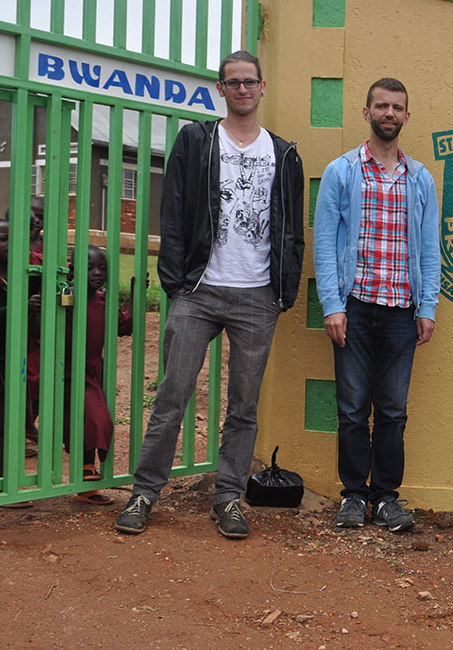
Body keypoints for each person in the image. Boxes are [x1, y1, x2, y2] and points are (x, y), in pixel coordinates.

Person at [115, 50, 305, 539]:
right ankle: (144, 492)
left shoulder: (283, 154)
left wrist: (282, 292)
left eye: (250, 82)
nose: (242, 89)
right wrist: (176, 284)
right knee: (173, 396)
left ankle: (228, 498)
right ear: (220, 89)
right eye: (233, 82)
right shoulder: (197, 140)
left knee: (243, 407)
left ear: (263, 88)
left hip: (257, 296)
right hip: (198, 290)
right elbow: (172, 212)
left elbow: (292, 231)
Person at [313, 77, 440, 532]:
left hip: (401, 312)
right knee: (351, 407)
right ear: (366, 113)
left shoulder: (420, 178)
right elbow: (325, 242)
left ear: (407, 116)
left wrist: (428, 306)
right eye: (381, 106)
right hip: (356, 306)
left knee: (392, 410)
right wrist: (332, 304)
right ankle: (352, 495)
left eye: (397, 107)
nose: (389, 113)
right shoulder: (342, 171)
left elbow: (429, 248)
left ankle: (386, 497)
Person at [64, 245, 134, 505]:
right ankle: (85, 470)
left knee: (90, 419)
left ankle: (86, 476)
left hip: (92, 369)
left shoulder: (103, 300)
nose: (96, 272)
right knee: (86, 418)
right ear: (72, 271)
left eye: (102, 268)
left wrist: (135, 295)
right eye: (89, 267)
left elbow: (124, 327)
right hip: (65, 367)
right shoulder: (65, 297)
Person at [0, 218, 40, 507]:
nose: (10, 245)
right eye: (3, 239)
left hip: (11, 360)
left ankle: (7, 481)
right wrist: (21, 304)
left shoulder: (18, 276)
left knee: (10, 421)